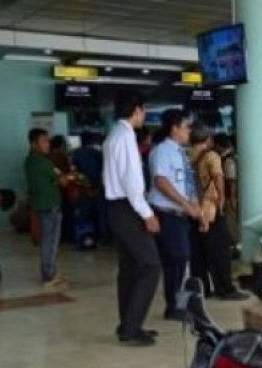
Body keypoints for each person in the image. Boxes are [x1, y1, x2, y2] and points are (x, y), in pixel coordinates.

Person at [103, 90, 161, 347]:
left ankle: (128, 322)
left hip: (116, 207)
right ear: (136, 110)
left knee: (129, 267)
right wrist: (147, 214)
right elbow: (132, 181)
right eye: (143, 110)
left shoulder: (113, 135)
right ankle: (131, 327)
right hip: (129, 208)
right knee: (150, 266)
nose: (144, 115)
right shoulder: (126, 137)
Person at [147, 109, 201, 322]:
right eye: (186, 126)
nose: (189, 131)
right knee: (176, 260)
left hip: (180, 215)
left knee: (181, 260)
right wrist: (186, 205)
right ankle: (174, 307)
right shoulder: (162, 151)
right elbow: (161, 181)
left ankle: (179, 304)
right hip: (167, 214)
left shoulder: (180, 152)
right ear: (174, 128)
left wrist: (195, 207)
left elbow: (186, 183)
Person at [189, 122, 248, 301]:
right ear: (208, 139)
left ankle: (203, 289)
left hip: (193, 208)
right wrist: (221, 201)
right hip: (211, 208)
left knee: (198, 252)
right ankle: (225, 289)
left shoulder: (187, 154)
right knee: (220, 250)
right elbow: (218, 178)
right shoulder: (211, 155)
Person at [25, 128, 68, 289]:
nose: (47, 144)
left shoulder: (29, 161)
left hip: (40, 205)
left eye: (48, 140)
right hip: (50, 206)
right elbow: (63, 181)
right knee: (50, 242)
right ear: (34, 143)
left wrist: (54, 182)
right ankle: (48, 275)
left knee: (47, 240)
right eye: (44, 141)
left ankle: (49, 272)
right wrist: (57, 181)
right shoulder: (45, 162)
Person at [72, 131, 109, 244]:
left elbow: (75, 172)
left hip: (84, 187)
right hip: (99, 187)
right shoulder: (98, 154)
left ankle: (83, 237)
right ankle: (104, 238)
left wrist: (86, 186)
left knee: (84, 214)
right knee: (101, 214)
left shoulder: (76, 153)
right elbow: (104, 170)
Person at [214, 134, 240, 248]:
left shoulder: (228, 160)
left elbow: (231, 180)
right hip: (232, 195)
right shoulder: (234, 157)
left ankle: (236, 245)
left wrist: (232, 197)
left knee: (231, 221)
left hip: (230, 196)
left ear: (218, 146)